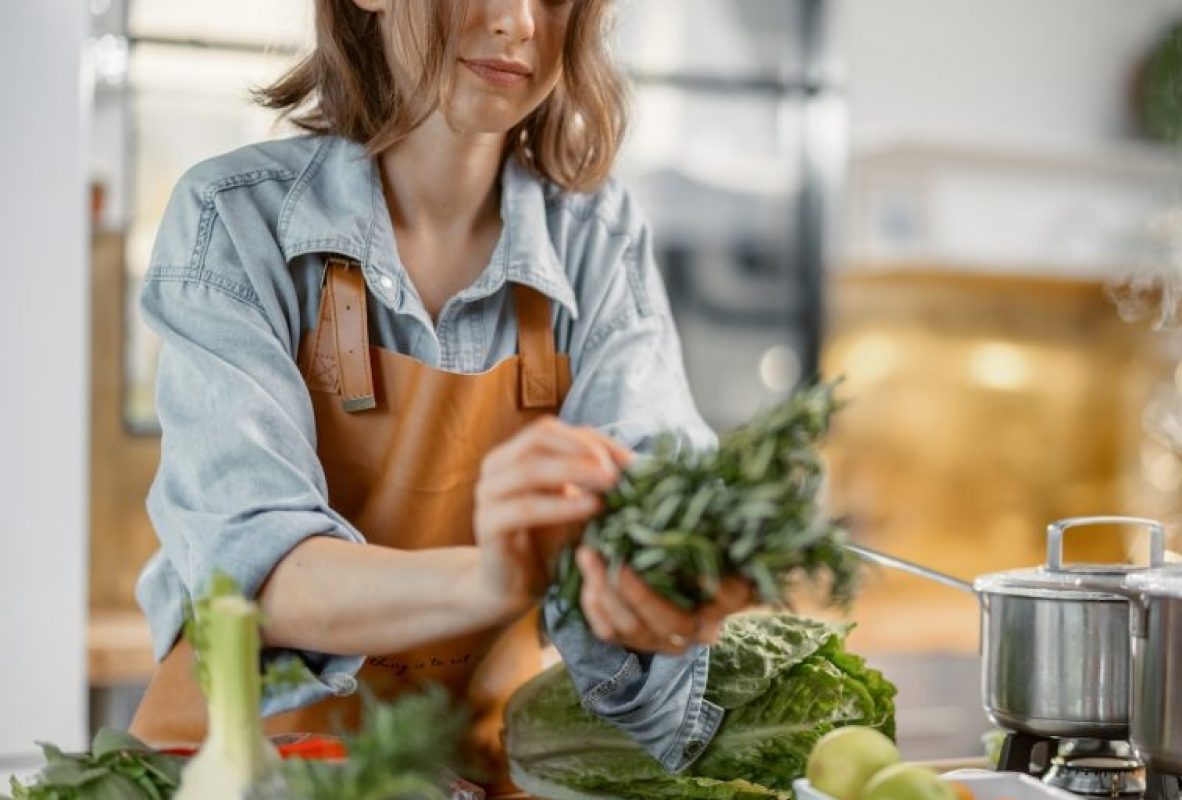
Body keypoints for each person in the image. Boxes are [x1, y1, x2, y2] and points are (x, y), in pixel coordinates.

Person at [127, 0, 749, 788]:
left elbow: (655, 491)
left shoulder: (598, 238)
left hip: (473, 775)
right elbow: (257, 568)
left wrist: (672, 577)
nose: (520, 22)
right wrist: (494, 577)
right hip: (247, 777)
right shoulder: (232, 222)